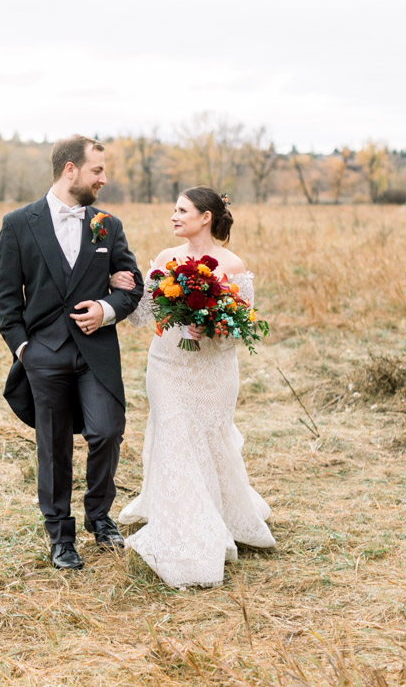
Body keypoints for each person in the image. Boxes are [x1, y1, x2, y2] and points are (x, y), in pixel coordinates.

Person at [0, 134, 143, 570]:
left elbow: (131, 284)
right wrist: (24, 349)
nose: (105, 178)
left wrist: (106, 308)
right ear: (70, 169)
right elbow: (6, 298)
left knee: (107, 430)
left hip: (95, 353)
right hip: (43, 354)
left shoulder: (107, 225)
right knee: (54, 446)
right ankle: (61, 536)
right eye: (98, 170)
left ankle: (100, 516)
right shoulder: (18, 223)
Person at [117, 186, 275, 588]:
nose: (173, 216)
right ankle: (185, 528)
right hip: (168, 365)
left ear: (206, 216)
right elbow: (142, 316)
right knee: (173, 434)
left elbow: (241, 329)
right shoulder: (165, 259)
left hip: (213, 370)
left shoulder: (232, 264)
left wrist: (209, 327)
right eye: (173, 209)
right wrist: (124, 286)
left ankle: (214, 513)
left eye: (182, 210)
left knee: (208, 438)